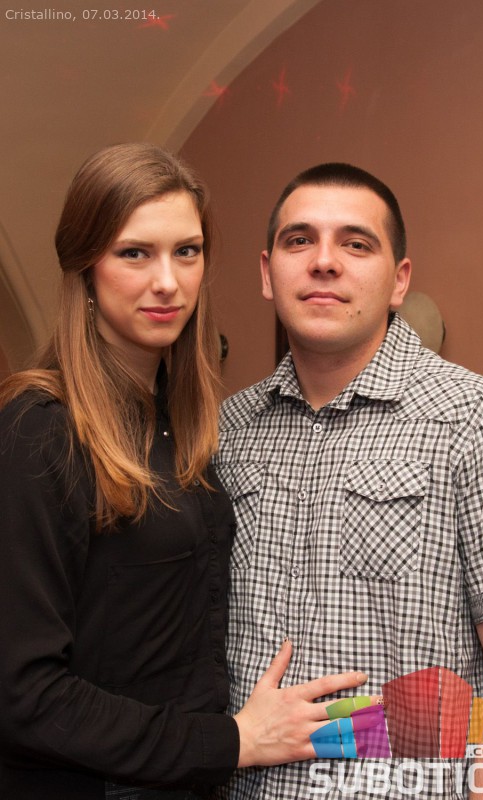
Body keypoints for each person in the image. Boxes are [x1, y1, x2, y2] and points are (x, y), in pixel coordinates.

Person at [0, 146, 369, 800]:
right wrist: (231, 741)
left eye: (187, 252)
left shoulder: (185, 425)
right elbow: (23, 693)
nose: (168, 281)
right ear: (85, 266)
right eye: (135, 253)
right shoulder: (41, 430)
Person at [213, 163, 483, 799]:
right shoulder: (227, 429)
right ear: (267, 273)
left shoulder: (478, 419)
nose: (324, 261)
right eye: (299, 240)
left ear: (399, 280)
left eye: (356, 244)